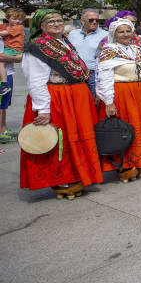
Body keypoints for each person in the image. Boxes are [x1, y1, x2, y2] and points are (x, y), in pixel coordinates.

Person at [19, 10, 101, 199]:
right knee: (61, 139)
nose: (56, 24)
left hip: (74, 96)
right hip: (57, 98)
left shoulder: (63, 42)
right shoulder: (37, 48)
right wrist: (43, 109)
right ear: (41, 26)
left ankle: (77, 174)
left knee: (77, 137)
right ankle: (62, 180)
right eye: (50, 21)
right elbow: (36, 81)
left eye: (58, 20)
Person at [96, 19, 141, 181]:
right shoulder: (109, 50)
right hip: (121, 93)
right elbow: (104, 77)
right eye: (121, 32)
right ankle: (124, 164)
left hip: (139, 93)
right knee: (125, 129)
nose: (125, 34)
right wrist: (108, 101)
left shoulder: (136, 49)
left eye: (128, 31)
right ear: (114, 34)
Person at [67, 8, 106, 98]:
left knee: (92, 104)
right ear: (82, 21)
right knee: (77, 102)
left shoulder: (105, 35)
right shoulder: (73, 34)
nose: (95, 22)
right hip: (75, 74)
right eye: (91, 20)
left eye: (97, 20)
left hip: (93, 75)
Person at [0, 7, 24, 142]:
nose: (17, 21)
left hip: (8, 73)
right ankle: (1, 132)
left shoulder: (12, 30)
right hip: (3, 74)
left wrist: (17, 58)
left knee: (4, 105)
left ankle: (3, 129)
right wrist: (16, 58)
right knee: (1, 106)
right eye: (14, 18)